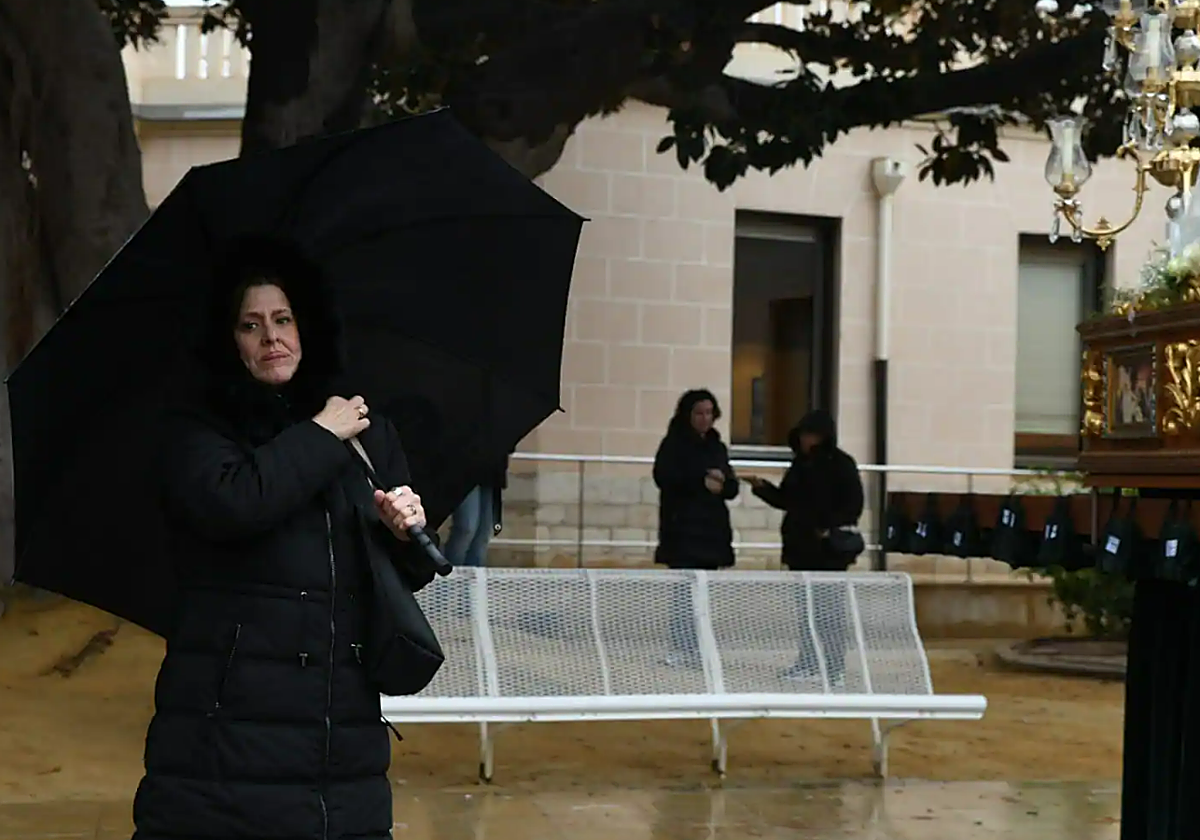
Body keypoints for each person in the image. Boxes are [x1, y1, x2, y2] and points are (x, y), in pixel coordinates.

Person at [130, 239, 436, 840]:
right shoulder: (200, 427)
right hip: (229, 732)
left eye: (283, 319)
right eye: (251, 324)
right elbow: (235, 502)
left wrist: (406, 528)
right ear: (230, 340)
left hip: (339, 728)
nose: (271, 337)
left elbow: (398, 574)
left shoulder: (362, 429)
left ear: (307, 326)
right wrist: (322, 432)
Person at [746, 409, 864, 685]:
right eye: (802, 435)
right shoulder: (800, 464)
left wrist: (826, 527)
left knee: (830, 612)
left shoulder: (842, 464)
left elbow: (853, 505)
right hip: (800, 548)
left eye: (810, 434)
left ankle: (834, 668)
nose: (805, 440)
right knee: (807, 612)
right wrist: (762, 487)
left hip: (829, 552)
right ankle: (809, 663)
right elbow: (787, 499)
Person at [652, 389, 739, 667]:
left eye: (709, 413)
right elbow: (664, 477)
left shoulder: (717, 446)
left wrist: (723, 484)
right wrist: (700, 480)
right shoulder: (674, 444)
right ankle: (680, 646)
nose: (705, 419)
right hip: (683, 528)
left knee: (704, 593)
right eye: (699, 413)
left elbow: (731, 485)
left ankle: (700, 646)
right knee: (682, 593)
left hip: (710, 529)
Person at [445, 454, 509, 568]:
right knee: (466, 528)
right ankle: (449, 577)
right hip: (464, 465)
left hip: (491, 467)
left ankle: (472, 582)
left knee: (483, 533)